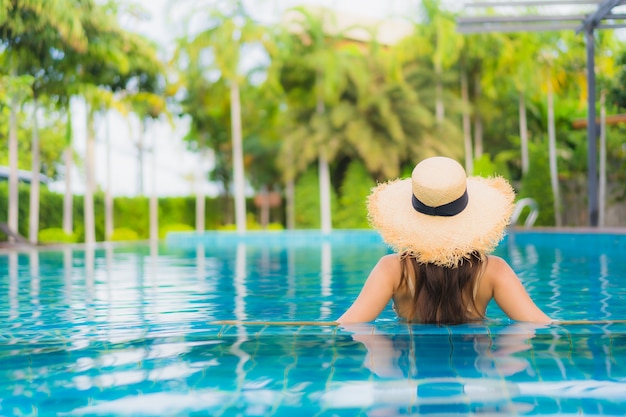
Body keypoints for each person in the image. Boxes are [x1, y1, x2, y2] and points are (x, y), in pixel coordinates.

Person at [337, 156, 551, 325]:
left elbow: (349, 325)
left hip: (412, 362)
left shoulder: (392, 270)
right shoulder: (494, 271)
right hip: (472, 365)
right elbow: (539, 324)